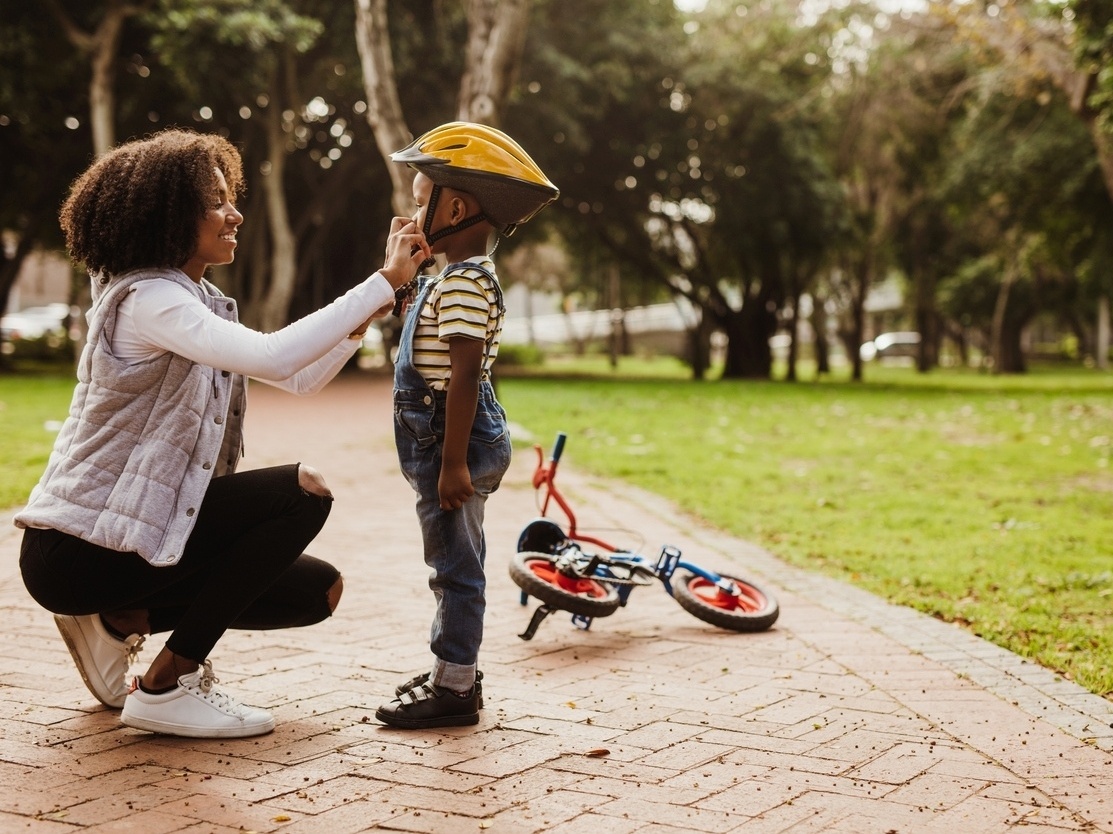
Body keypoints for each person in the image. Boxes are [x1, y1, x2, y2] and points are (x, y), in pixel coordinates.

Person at [15, 128, 431, 739]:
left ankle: (120, 618)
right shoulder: (149, 300)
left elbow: (298, 377)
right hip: (76, 550)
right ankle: (166, 685)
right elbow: (274, 356)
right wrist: (383, 282)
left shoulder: (195, 300)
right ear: (169, 215)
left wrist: (371, 305)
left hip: (127, 540)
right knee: (302, 492)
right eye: (216, 201)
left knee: (316, 593)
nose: (234, 213)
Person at [375, 122, 558, 729]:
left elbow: (462, 377)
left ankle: (453, 688)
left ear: (455, 207)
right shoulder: (450, 277)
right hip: (445, 442)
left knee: (455, 569)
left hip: (451, 444)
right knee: (454, 561)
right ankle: (449, 673)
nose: (412, 210)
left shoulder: (466, 283)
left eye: (420, 198)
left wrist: (452, 463)